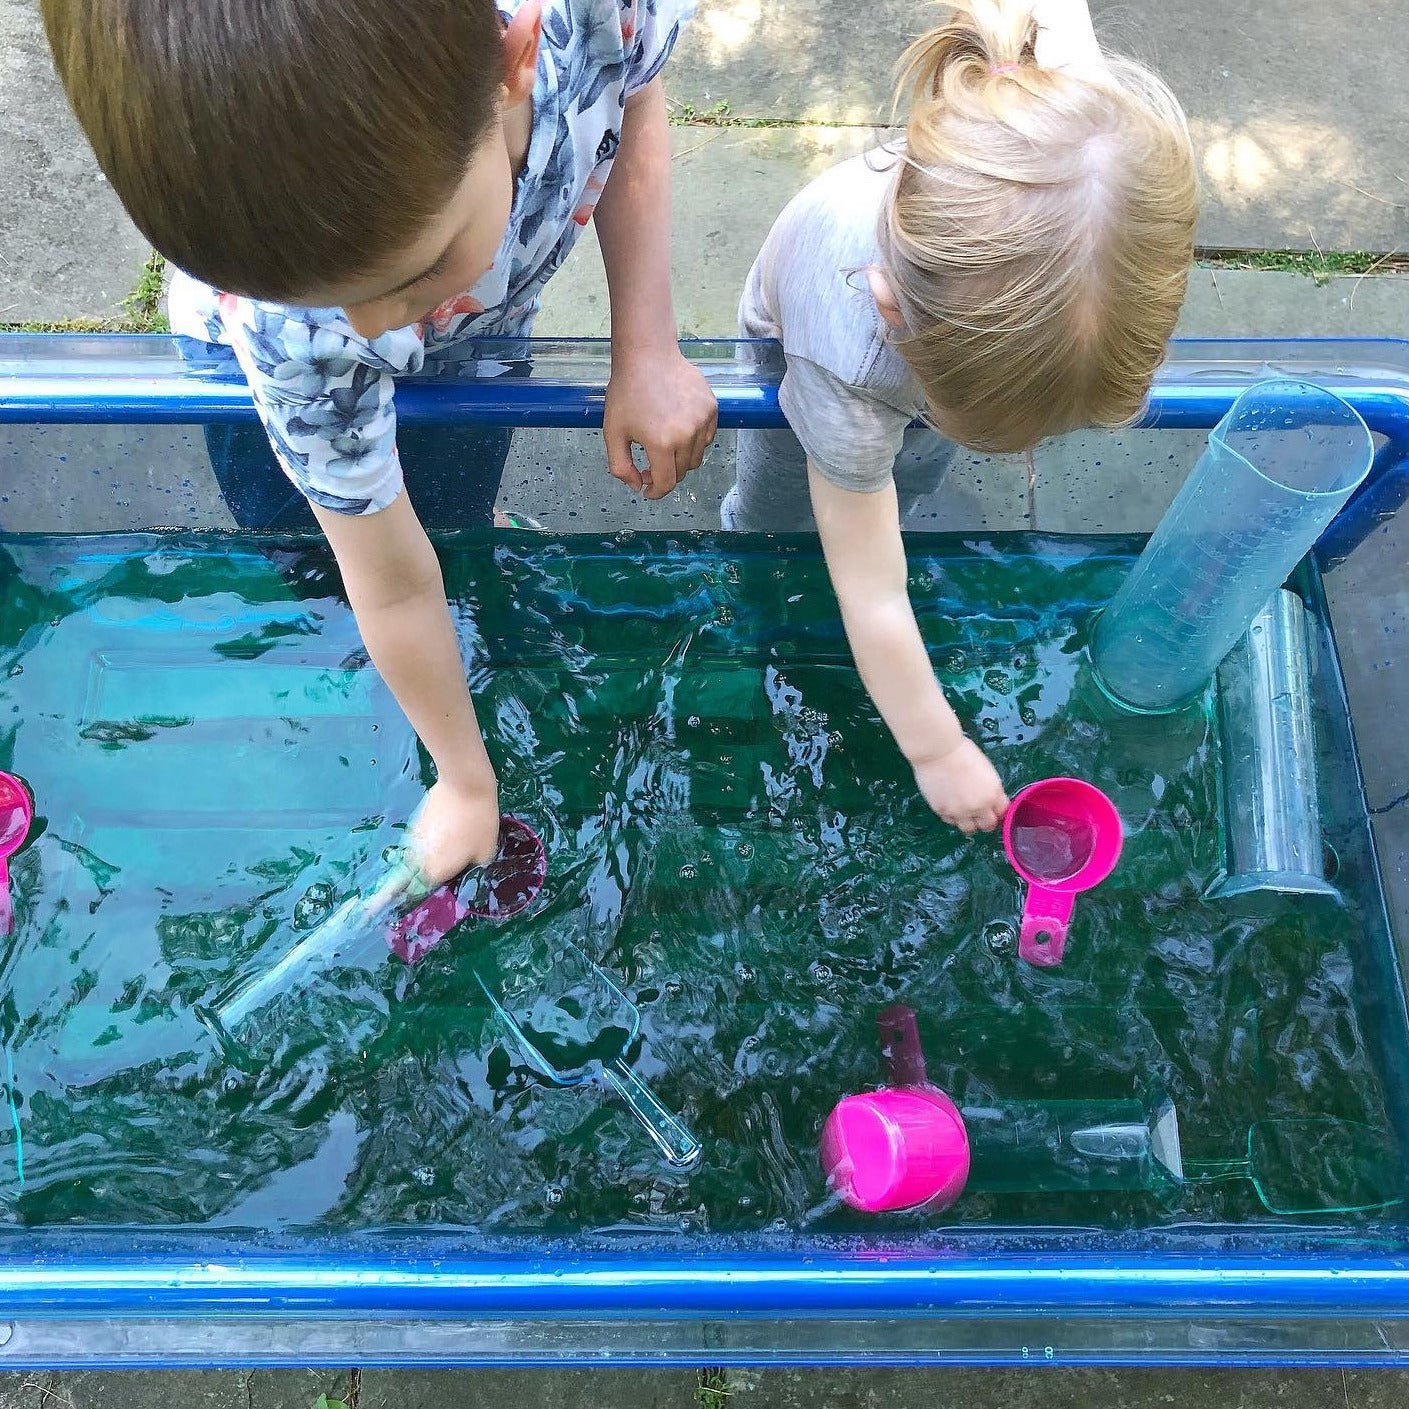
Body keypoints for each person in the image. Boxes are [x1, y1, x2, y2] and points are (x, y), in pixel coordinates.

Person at [42, 0, 719, 887]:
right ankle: (350, 603)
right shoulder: (301, 333)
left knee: (454, 507)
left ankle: (460, 530)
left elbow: (633, 92)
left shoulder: (597, 11)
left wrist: (646, 341)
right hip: (273, 381)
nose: (370, 333)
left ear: (512, 65)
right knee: (324, 562)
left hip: (479, 336)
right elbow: (391, 588)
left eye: (411, 272)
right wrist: (467, 780)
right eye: (330, 298)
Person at [723, 0, 1198, 835]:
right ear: (893, 312)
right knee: (783, 511)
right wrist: (935, 748)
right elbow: (869, 592)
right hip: (807, 358)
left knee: (902, 476)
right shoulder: (849, 362)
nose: (1033, 450)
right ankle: (747, 550)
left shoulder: (1086, 135)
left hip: (930, 345)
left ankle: (898, 483)